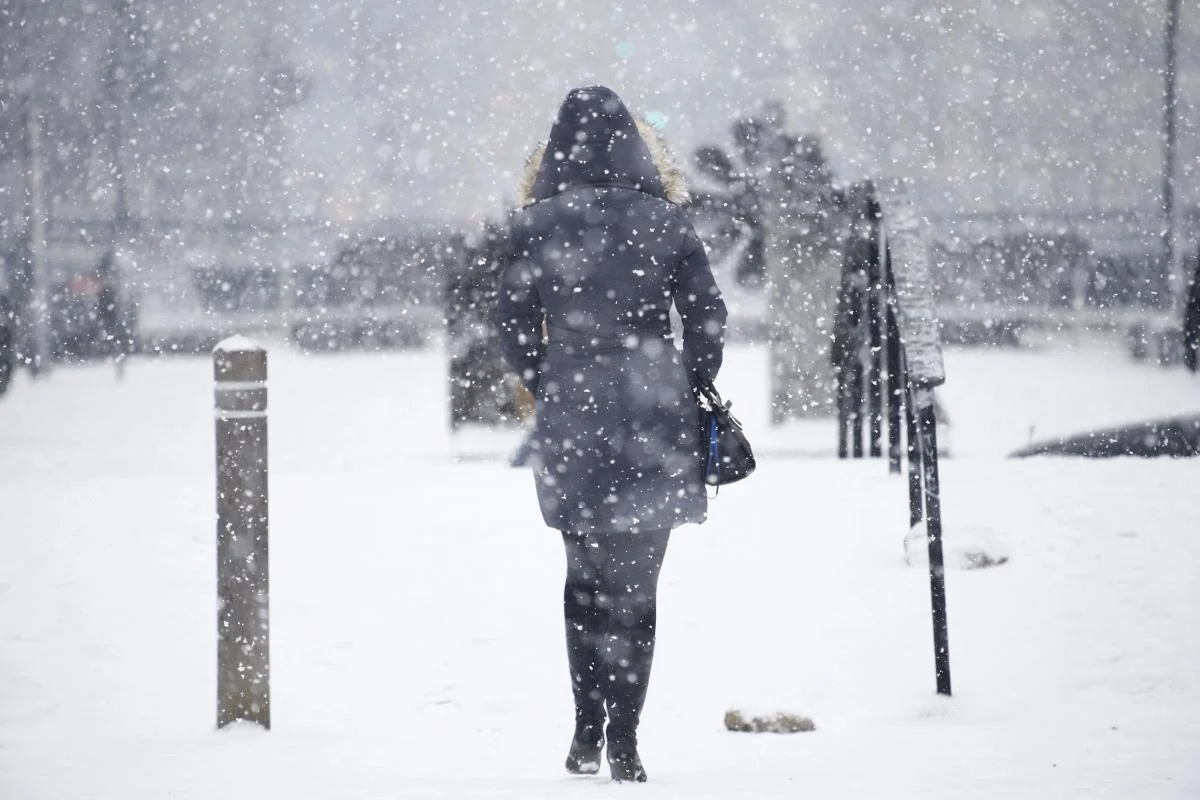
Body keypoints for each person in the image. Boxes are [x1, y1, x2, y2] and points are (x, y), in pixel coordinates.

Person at [493, 86, 727, 782]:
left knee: (584, 579)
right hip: (655, 410)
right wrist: (688, 378)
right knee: (638, 589)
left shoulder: (535, 226)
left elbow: (511, 324)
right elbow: (707, 315)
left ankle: (585, 728)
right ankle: (625, 739)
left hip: (574, 412)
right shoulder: (666, 222)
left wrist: (549, 376)